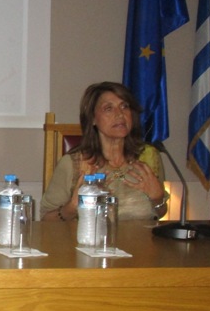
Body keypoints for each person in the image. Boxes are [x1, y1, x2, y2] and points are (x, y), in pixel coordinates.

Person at [41, 81, 169, 221]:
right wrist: (71, 207)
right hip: (90, 236)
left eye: (124, 106)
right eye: (109, 108)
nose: (120, 114)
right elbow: (46, 219)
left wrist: (158, 199)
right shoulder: (74, 164)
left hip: (141, 236)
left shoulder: (149, 157)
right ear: (93, 119)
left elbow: (160, 212)